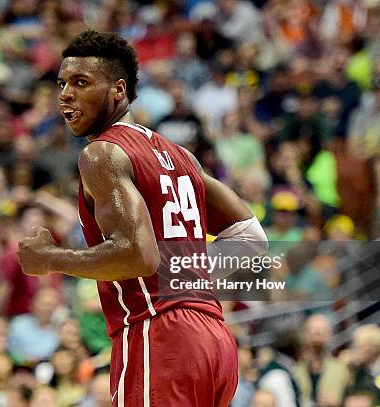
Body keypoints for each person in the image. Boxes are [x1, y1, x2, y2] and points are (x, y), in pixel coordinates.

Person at [17, 30, 268, 406]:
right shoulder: (180, 155)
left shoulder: (101, 154)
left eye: (81, 82)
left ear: (118, 90)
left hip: (159, 336)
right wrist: (186, 277)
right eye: (62, 83)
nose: (65, 94)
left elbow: (137, 255)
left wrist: (51, 258)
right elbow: (251, 237)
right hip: (214, 338)